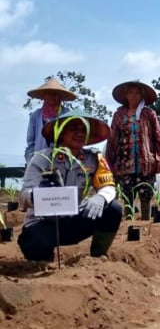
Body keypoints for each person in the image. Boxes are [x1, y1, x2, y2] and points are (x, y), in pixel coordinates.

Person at [18, 108, 122, 261]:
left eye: (83, 130)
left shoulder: (94, 159)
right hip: (44, 223)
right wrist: (38, 195)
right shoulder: (42, 159)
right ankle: (43, 262)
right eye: (74, 128)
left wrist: (100, 197)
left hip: (74, 220)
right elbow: (23, 196)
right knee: (32, 241)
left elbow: (108, 186)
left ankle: (98, 257)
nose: (79, 133)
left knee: (113, 209)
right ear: (61, 132)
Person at [105, 80, 160, 220]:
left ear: (142, 95)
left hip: (146, 162)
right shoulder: (119, 114)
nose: (134, 96)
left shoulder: (149, 114)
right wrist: (109, 162)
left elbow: (157, 137)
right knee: (127, 194)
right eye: (131, 92)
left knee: (146, 193)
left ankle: (145, 220)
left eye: (137, 92)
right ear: (126, 95)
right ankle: (129, 221)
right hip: (124, 162)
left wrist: (159, 158)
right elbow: (112, 139)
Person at [25, 77, 76, 163]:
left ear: (61, 97)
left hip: (63, 161)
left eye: (56, 94)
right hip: (39, 161)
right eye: (50, 94)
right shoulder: (35, 116)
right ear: (44, 96)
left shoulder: (68, 115)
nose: (53, 97)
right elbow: (31, 143)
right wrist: (31, 161)